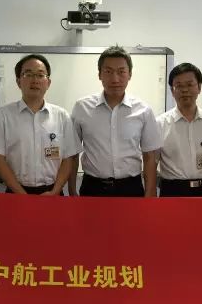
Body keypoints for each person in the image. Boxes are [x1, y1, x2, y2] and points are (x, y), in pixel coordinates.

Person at [68, 46, 162, 197]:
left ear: (130, 74)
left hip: (131, 188)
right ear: (99, 74)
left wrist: (150, 192)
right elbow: (72, 154)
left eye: (121, 71)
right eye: (108, 71)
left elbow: (149, 156)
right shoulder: (82, 107)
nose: (115, 79)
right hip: (93, 188)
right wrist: (72, 190)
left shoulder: (143, 110)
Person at [0, 54, 81, 195]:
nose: (35, 80)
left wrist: (55, 191)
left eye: (40, 75)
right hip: (16, 194)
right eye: (28, 74)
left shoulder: (62, 116)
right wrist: (22, 195)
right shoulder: (2, 116)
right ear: (18, 81)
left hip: (53, 193)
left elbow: (68, 159)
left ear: (48, 82)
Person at [156, 63, 202, 197]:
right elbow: (151, 164)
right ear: (172, 90)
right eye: (179, 86)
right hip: (172, 191)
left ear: (199, 87)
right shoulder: (160, 123)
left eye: (189, 84)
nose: (184, 90)